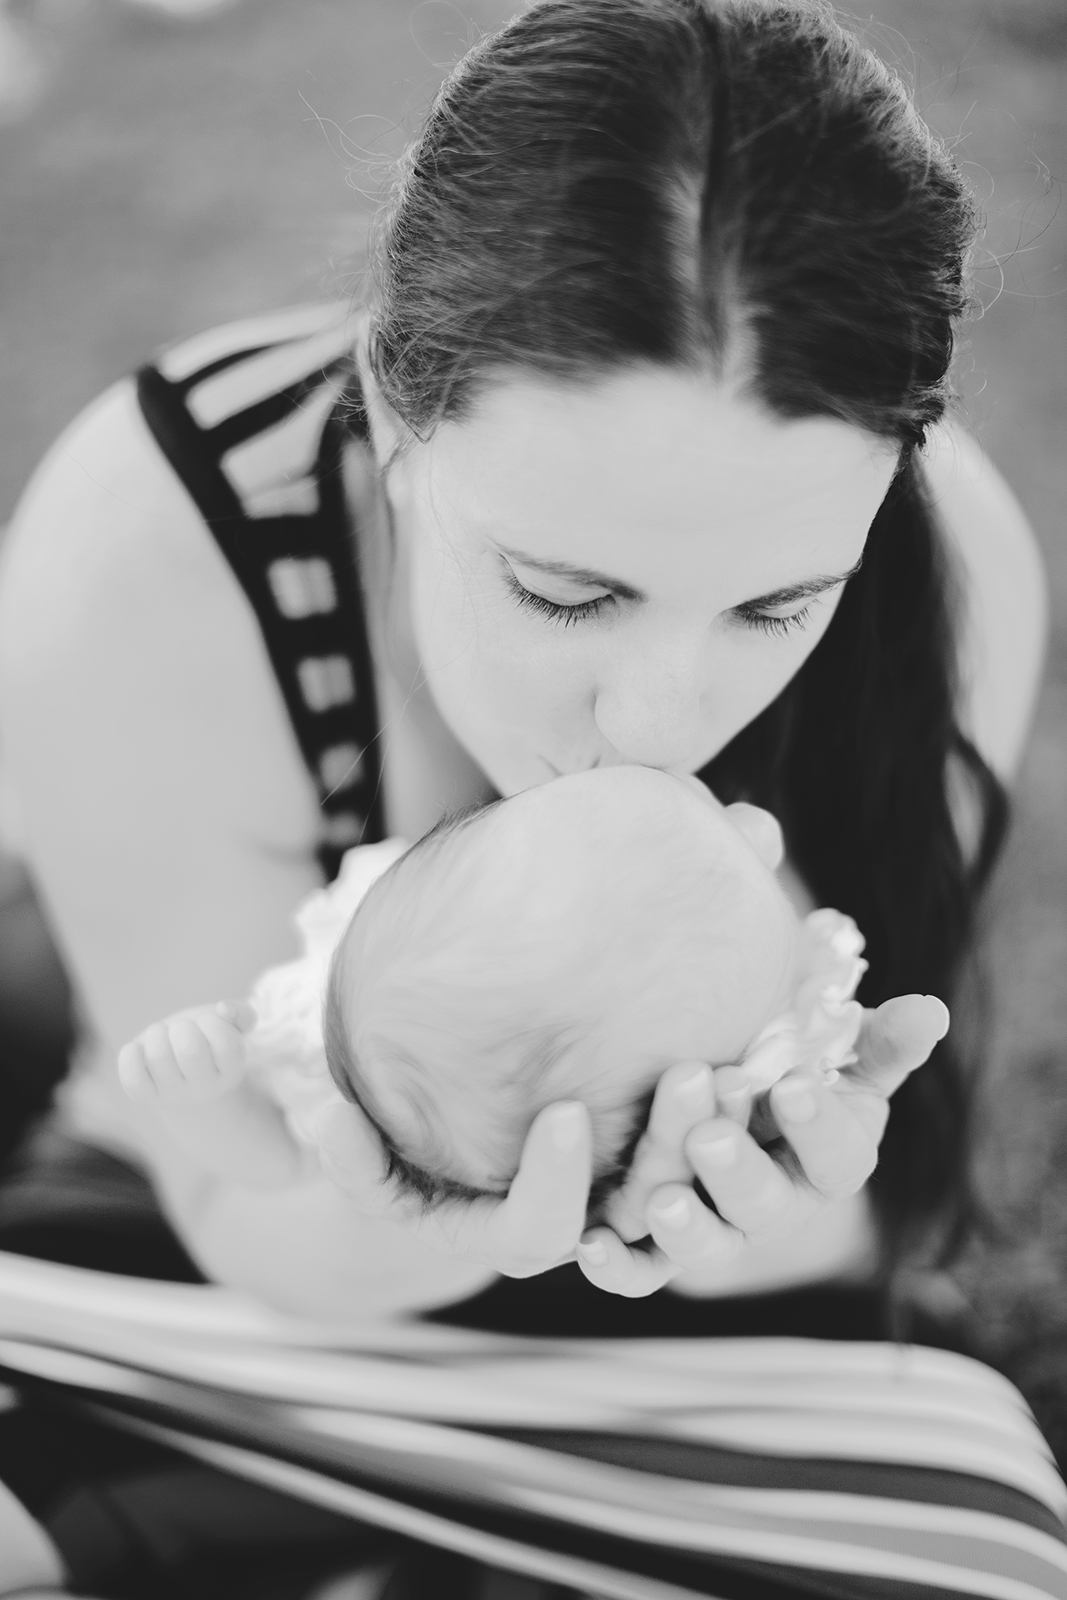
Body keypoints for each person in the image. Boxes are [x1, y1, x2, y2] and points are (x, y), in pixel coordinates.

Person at [0, 0, 1051, 1594]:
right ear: (392, 408)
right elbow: (228, 1199)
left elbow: (867, 1235)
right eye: (566, 594)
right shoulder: (157, 542)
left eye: (777, 610)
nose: (660, 723)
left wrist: (750, 1218)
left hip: (702, 1362)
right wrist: (419, 1226)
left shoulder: (947, 569)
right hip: (229, 1291)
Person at [114, 767, 871, 1209]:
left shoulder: (374, 1016)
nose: (755, 827)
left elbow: (272, 1162)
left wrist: (207, 1099)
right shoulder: (405, 967)